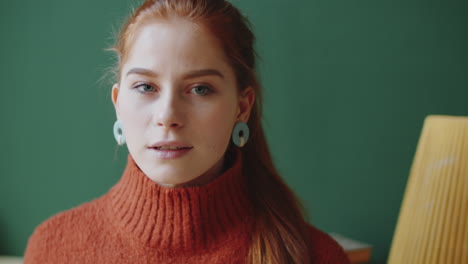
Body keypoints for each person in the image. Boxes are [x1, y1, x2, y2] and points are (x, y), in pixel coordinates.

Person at [24, 0, 350, 263]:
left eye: (200, 90)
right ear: (118, 102)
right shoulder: (53, 248)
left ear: (242, 106)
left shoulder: (317, 256)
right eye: (145, 87)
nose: (167, 116)